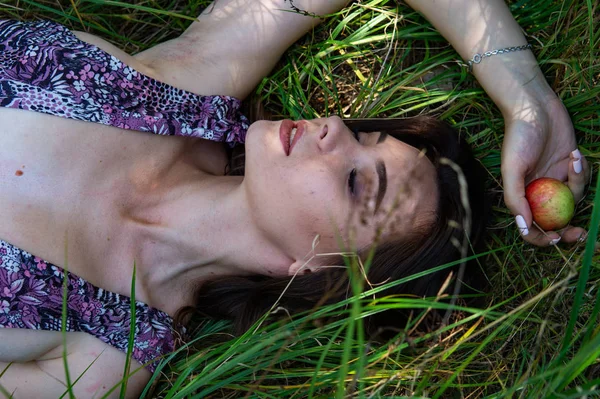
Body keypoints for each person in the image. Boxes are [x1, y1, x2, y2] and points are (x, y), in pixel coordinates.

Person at [0, 0, 589, 397]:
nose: (333, 126)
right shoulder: (179, 92)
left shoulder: (108, 354)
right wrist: (528, 101)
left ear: (314, 270)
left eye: (356, 180)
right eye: (363, 136)